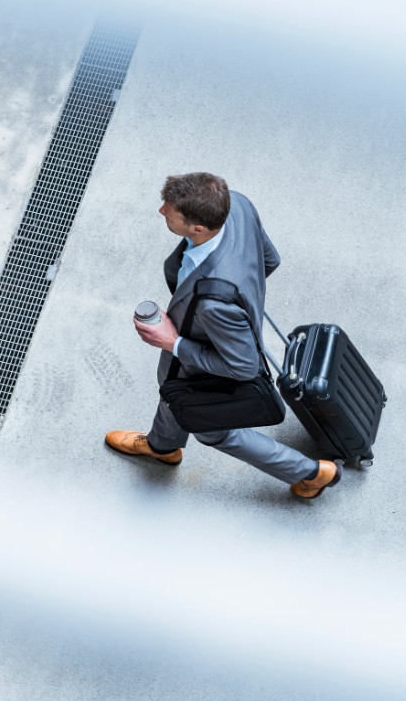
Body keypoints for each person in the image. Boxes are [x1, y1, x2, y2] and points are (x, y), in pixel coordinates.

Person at [105, 172, 340, 499]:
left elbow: (242, 367)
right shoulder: (237, 204)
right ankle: (162, 447)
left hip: (207, 362)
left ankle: (312, 473)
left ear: (197, 228)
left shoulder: (216, 304)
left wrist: (172, 341)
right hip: (205, 339)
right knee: (174, 392)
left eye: (168, 210)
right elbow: (269, 259)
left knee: (217, 432)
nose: (161, 211)